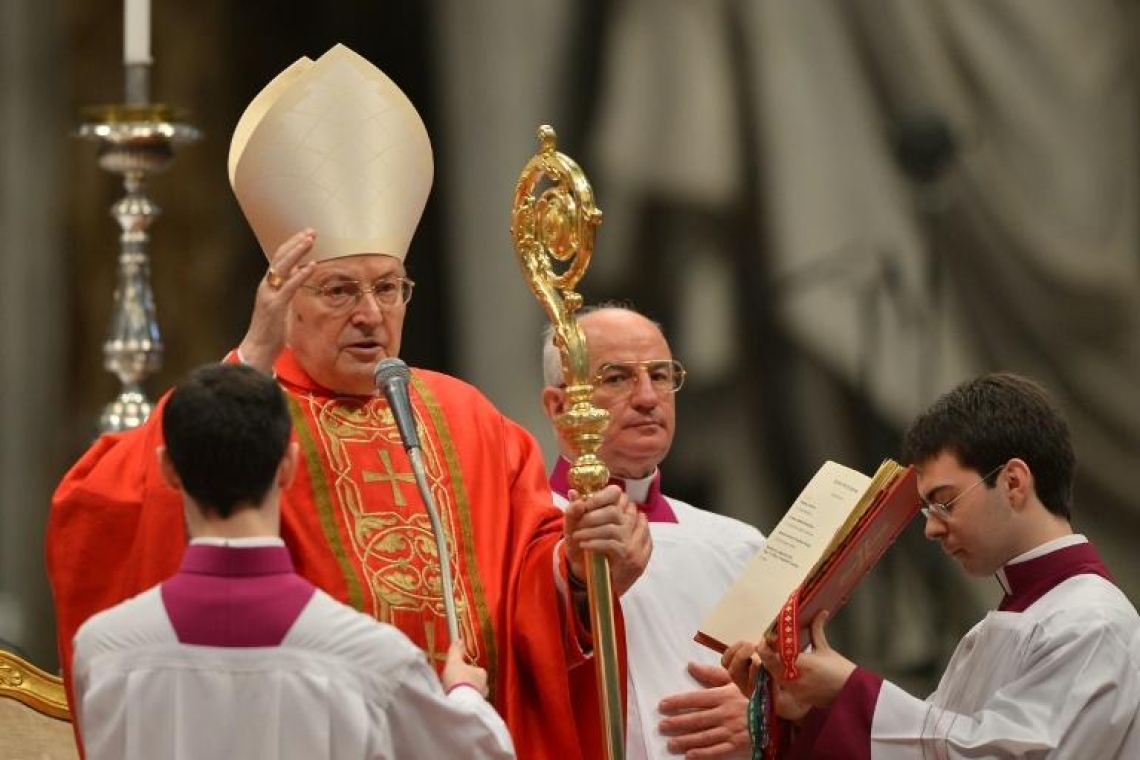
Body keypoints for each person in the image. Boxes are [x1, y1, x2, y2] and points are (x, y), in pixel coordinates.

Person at [49, 44, 649, 760]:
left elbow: (528, 573)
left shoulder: (469, 421)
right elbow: (100, 512)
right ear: (285, 301)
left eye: (388, 287)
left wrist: (577, 574)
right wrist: (253, 356)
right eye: (340, 291)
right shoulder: (248, 414)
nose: (371, 314)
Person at [72, 363, 515, 759]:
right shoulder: (374, 659)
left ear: (169, 469)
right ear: (288, 466)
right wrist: (463, 694)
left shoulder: (104, 650)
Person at [723, 372, 1140, 759]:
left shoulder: (1092, 625)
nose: (932, 529)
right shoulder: (995, 629)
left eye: (945, 501)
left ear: (1014, 482)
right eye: (927, 509)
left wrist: (852, 691)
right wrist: (810, 710)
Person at [541, 305, 765, 759]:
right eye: (616, 377)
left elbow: (795, 687)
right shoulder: (525, 532)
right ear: (559, 406)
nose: (648, 397)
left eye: (661, 376)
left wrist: (765, 715)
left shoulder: (739, 545)